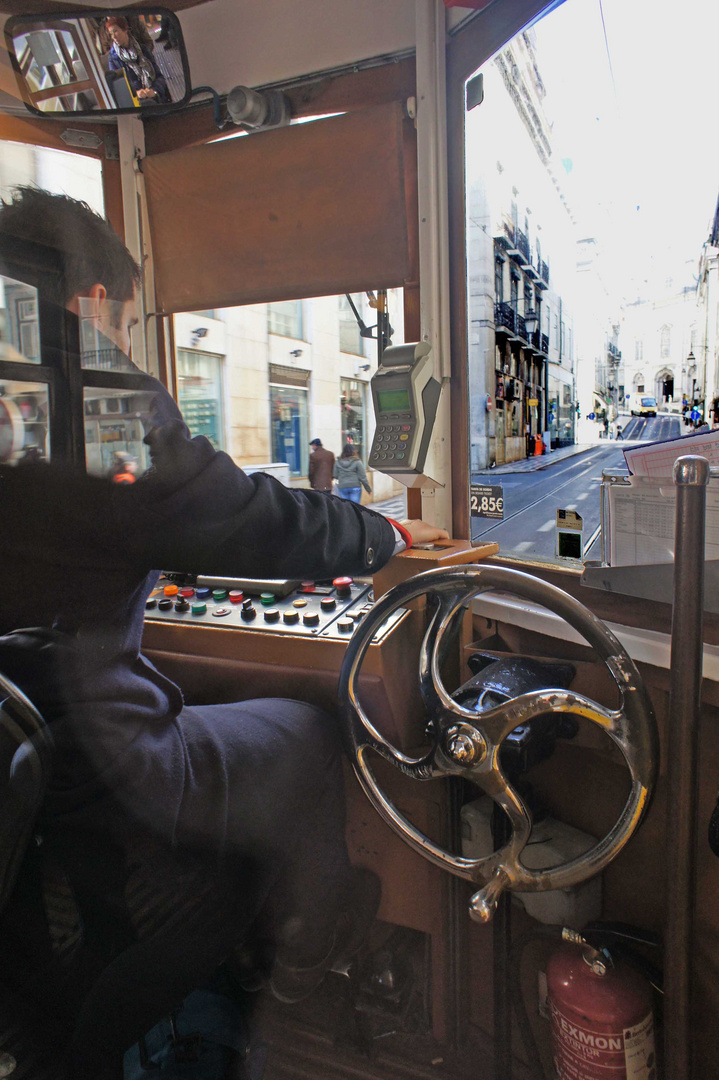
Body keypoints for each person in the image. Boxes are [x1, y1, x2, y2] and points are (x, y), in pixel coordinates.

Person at [0, 188, 448, 1076]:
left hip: (32, 746)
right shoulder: (84, 390)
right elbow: (234, 515)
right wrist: (383, 533)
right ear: (92, 304)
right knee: (311, 730)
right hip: (103, 752)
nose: (123, 344)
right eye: (126, 326)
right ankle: (306, 963)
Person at [105, 16, 171, 104]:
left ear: (125, 30)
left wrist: (154, 91)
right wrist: (136, 93)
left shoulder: (142, 49)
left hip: (153, 94)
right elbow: (120, 90)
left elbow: (159, 76)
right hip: (137, 101)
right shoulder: (114, 58)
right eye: (111, 34)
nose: (114, 37)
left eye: (115, 31)